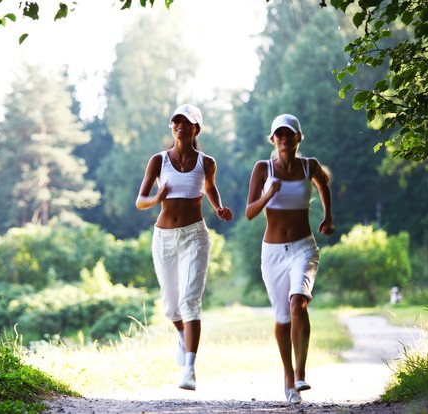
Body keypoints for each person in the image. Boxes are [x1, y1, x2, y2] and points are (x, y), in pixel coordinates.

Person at [136, 103, 233, 391]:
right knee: (171, 307)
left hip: (194, 235)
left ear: (196, 129)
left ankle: (189, 369)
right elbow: (140, 201)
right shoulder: (158, 161)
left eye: (186, 122)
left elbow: (210, 187)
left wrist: (218, 207)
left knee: (190, 301)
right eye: (176, 121)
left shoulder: (207, 162)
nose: (180, 125)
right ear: (173, 127)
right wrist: (157, 197)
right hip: (163, 237)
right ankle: (182, 337)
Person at [245, 114, 334, 404]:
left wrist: (328, 217)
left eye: (289, 133)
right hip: (272, 253)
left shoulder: (310, 166)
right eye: (279, 134)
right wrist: (268, 193)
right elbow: (249, 212)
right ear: (272, 139)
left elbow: (324, 184)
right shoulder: (263, 169)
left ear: (298, 137)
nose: (284, 138)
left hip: (303, 248)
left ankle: (300, 372)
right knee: (283, 319)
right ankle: (287, 377)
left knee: (299, 302)